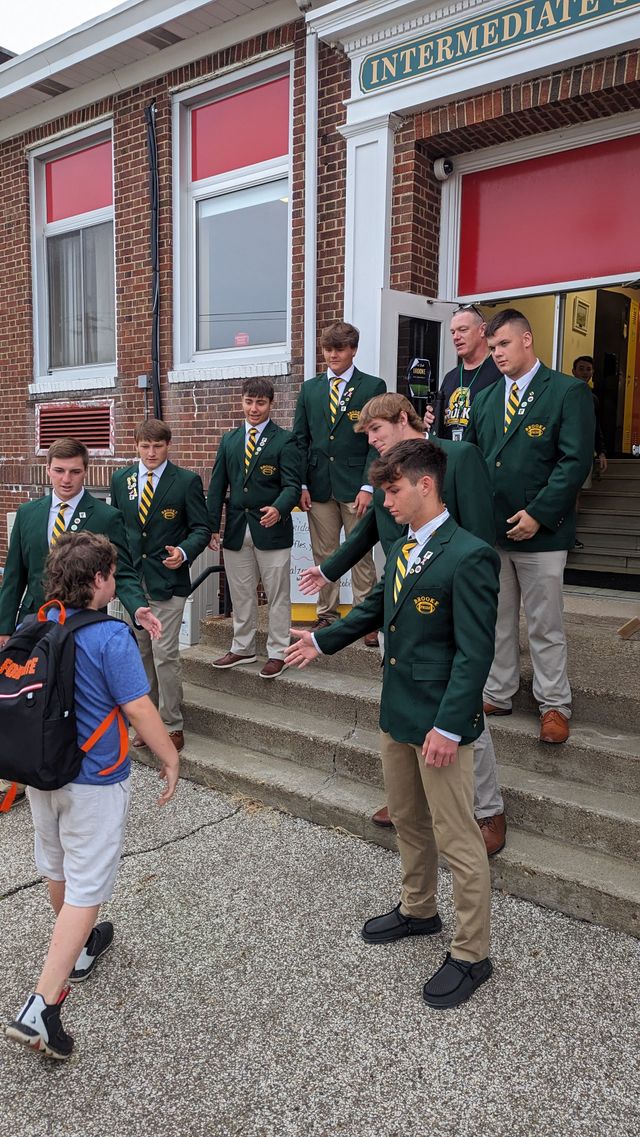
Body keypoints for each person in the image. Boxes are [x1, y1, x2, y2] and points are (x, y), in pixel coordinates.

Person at [286, 439, 500, 1009]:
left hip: (441, 722)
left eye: (393, 489)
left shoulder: (470, 554)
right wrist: (323, 641)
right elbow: (376, 606)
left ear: (425, 484)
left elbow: (475, 654)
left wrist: (451, 727)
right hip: (399, 711)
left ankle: (472, 952)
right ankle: (418, 909)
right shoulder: (406, 546)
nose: (386, 500)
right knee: (407, 819)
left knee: (458, 836)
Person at [298, 393, 506, 855]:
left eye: (375, 431)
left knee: (461, 699)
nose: (371, 441)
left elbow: (477, 530)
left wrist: (466, 587)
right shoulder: (389, 476)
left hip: (450, 598)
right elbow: (368, 528)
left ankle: (488, 809)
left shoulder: (457, 457)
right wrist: (330, 569)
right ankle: (410, 797)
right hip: (401, 600)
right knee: (407, 697)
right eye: (367, 435)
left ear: (401, 419)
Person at [5, 532, 180, 1061]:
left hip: (41, 773)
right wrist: (170, 758)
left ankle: (78, 952)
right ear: (101, 579)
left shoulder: (34, 624)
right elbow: (140, 709)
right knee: (87, 888)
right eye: (111, 574)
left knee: (58, 867)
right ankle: (41, 1006)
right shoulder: (110, 637)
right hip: (95, 780)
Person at [0, 437, 161, 809]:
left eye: (74, 471)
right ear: (48, 470)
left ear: (85, 472)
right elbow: (14, 576)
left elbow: (126, 573)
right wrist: (6, 627)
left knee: (72, 700)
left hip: (84, 629)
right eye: (59, 470)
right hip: (36, 624)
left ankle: (68, 762)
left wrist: (137, 609)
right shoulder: (29, 514)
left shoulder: (105, 517)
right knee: (30, 697)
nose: (66, 479)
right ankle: (22, 770)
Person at [465, 309, 595, 744]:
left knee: (545, 623)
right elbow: (471, 464)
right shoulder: (483, 399)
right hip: (493, 533)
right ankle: (498, 692)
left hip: (544, 533)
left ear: (527, 340)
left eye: (503, 344)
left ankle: (554, 703)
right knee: (497, 619)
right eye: (493, 346)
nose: (496, 353)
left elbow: (574, 461)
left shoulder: (567, 392)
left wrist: (538, 513)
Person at [110, 419, 211, 752]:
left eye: (157, 446)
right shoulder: (121, 479)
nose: (151, 452)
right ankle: (147, 719)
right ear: (135, 446)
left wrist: (183, 552)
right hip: (130, 582)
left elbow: (201, 528)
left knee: (164, 652)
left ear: (168, 445)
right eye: (144, 446)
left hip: (168, 580)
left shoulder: (185, 481)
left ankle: (171, 723)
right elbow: (118, 526)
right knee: (139, 652)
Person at [292, 320, 386, 645]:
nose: (333, 355)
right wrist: (301, 484)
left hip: (356, 485)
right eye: (328, 349)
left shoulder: (373, 386)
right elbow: (299, 440)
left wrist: (368, 486)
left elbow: (376, 441)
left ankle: (366, 618)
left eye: (340, 349)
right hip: (318, 486)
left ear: (353, 350)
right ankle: (326, 615)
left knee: (360, 554)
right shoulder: (310, 389)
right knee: (324, 554)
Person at [207, 378, 301, 679]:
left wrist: (279, 507)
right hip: (236, 527)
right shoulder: (229, 440)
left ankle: (277, 652)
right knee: (241, 592)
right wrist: (212, 527)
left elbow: (292, 486)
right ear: (242, 402)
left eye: (260, 402)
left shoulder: (284, 440)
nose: (254, 408)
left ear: (271, 404)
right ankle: (243, 647)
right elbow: (217, 487)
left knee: (277, 595)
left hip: (272, 528)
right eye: (249, 401)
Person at [435, 304, 501, 441]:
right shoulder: (450, 377)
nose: (456, 337)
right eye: (453, 332)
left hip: (480, 459)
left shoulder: (501, 371)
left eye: (463, 330)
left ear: (482, 330)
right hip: (450, 458)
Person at [571, 356, 608, 549]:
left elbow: (595, 427)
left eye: (589, 369)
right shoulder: (564, 393)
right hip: (562, 453)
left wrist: (601, 451)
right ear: (573, 371)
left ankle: (571, 535)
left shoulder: (592, 398)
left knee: (577, 495)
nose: (585, 372)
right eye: (582, 368)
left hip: (583, 453)